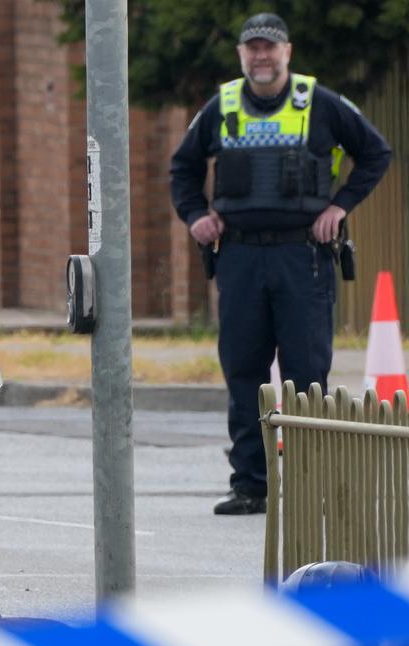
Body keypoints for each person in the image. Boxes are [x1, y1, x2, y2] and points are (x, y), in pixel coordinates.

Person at [169, 13, 391, 515]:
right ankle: (251, 485)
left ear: (287, 52)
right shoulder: (222, 106)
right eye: (252, 48)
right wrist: (194, 215)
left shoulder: (321, 104)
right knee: (244, 372)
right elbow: (182, 167)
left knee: (307, 373)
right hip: (241, 257)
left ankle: (311, 487)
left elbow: (375, 153)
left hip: (302, 256)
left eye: (270, 48)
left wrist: (339, 207)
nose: (261, 56)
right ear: (241, 55)